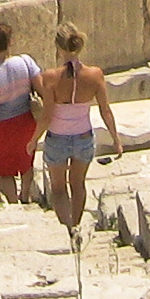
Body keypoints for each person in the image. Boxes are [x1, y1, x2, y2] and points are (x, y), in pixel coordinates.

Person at [38, 25, 125, 232]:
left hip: (57, 137)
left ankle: (67, 228)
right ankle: (76, 225)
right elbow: (105, 110)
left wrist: (33, 140)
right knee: (78, 184)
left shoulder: (50, 77)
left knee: (58, 188)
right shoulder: (94, 75)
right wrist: (116, 139)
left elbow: (47, 114)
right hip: (83, 137)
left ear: (58, 48)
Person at [0, 20, 41, 207]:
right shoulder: (25, 62)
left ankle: (13, 202)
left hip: (1, 127)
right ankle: (25, 194)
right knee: (26, 160)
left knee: (4, 169)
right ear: (10, 41)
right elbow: (42, 88)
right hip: (26, 121)